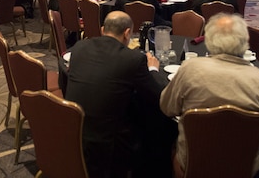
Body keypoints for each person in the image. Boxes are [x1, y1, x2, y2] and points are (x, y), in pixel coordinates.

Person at [160, 13, 259, 176]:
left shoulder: (189, 70)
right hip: (244, 170)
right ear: (245, 42)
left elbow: (167, 108)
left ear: (209, 41)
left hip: (191, 167)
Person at [62, 11, 176, 178]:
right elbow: (158, 96)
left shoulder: (79, 47)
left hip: (74, 132)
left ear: (102, 30)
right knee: (154, 123)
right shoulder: (133, 59)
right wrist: (152, 69)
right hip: (109, 147)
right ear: (127, 33)